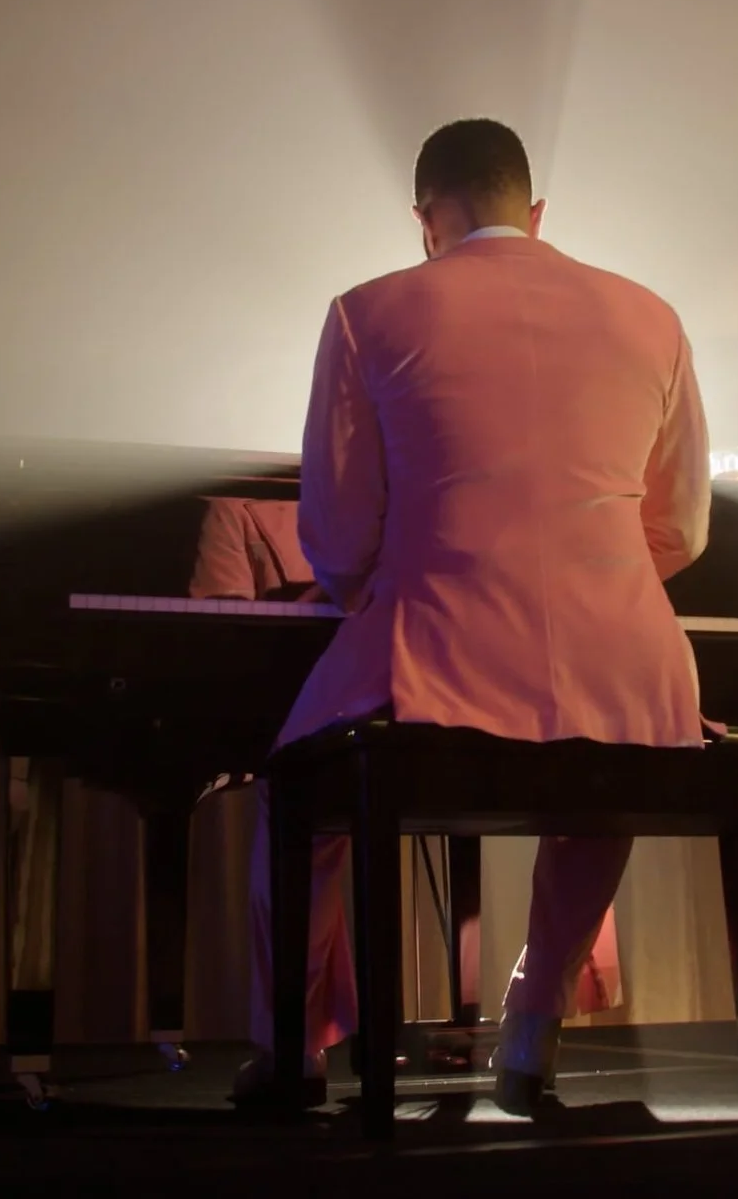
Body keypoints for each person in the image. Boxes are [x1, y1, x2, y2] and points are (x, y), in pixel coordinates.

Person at [239, 118, 711, 1115]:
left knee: (289, 790)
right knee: (602, 772)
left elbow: (336, 534)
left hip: (438, 647)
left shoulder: (367, 312)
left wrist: (369, 590)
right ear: (534, 212)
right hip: (628, 656)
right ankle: (532, 1030)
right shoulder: (654, 315)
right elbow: (679, 529)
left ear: (425, 220)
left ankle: (294, 1048)